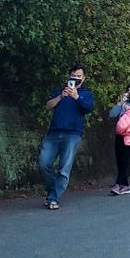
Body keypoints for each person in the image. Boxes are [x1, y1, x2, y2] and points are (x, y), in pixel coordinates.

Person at [38, 66, 96, 210]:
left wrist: (76, 96)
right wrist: (61, 96)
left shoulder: (86, 94)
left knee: (64, 167)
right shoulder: (60, 91)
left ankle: (53, 198)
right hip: (54, 133)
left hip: (73, 134)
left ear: (83, 79)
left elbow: (89, 108)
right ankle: (53, 191)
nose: (75, 77)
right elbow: (48, 105)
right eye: (73, 75)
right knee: (44, 163)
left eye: (78, 75)